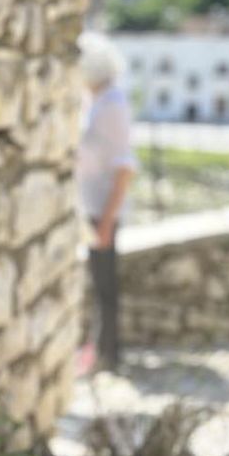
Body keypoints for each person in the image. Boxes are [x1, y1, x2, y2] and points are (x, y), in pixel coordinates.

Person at [76, 31, 136, 375]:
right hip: (94, 206)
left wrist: (106, 222)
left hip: (103, 210)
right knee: (99, 284)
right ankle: (99, 349)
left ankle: (108, 353)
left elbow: (124, 168)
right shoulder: (98, 101)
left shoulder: (112, 106)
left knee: (105, 286)